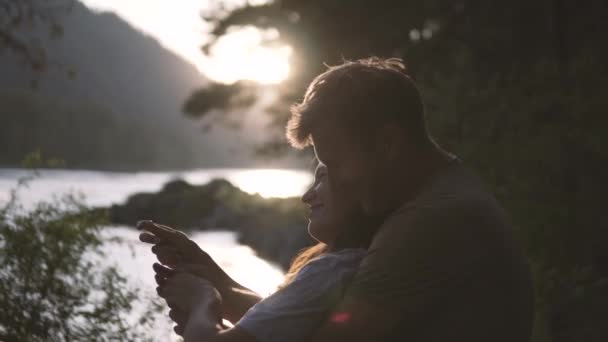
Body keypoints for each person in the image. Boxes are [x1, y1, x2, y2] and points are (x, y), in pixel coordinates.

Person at [141, 57, 535, 342]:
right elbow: (316, 323)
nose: (333, 184)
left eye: (335, 164)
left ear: (387, 143)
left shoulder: (430, 222)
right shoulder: (443, 196)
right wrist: (220, 286)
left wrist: (204, 307)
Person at [139, 162, 378, 342]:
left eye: (322, 177)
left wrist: (202, 302)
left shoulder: (330, 270)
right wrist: (213, 276)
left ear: (358, 184)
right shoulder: (355, 262)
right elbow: (285, 321)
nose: (307, 196)